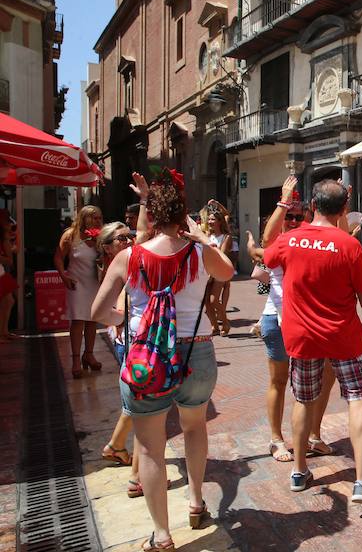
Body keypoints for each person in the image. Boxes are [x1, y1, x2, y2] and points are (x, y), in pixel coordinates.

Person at [92, 169, 234, 551]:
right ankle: (196, 501)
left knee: (151, 448)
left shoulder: (128, 256)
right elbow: (229, 272)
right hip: (197, 350)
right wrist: (204, 239)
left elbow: (98, 311)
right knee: (194, 428)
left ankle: (161, 535)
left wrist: (124, 320)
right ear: (183, 215)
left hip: (146, 357)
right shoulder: (201, 253)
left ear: (150, 216)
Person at [264, 179, 362, 505]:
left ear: (312, 206)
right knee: (357, 399)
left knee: (302, 400)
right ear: (343, 210)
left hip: (302, 336)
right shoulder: (349, 245)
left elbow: (267, 250)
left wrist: (282, 204)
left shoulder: (291, 239)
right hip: (344, 337)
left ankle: (299, 470)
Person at [248, 177, 336, 461]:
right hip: (278, 319)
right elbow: (265, 241)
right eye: (289, 216)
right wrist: (283, 202)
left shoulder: (313, 238)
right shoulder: (279, 242)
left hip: (311, 322)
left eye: (300, 216)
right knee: (279, 380)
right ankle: (276, 439)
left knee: (325, 376)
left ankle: (312, 434)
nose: (294, 220)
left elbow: (339, 234)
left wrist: (339, 204)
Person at [95, 222, 144, 497]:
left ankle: (115, 445)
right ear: (106, 246)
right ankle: (137, 476)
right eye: (120, 238)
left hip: (125, 340)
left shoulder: (122, 264)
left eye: (129, 236)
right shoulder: (120, 268)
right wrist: (121, 320)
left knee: (135, 404)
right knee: (143, 409)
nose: (128, 241)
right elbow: (106, 310)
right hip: (129, 342)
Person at [54, 205, 104, 379]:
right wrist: (64, 276)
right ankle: (76, 359)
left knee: (92, 320)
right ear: (84, 218)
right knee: (77, 321)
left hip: (95, 283)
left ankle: (88, 354)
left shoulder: (102, 237)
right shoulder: (70, 235)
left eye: (99, 217)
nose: (98, 220)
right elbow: (58, 257)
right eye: (94, 217)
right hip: (76, 283)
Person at [203, 207, 232, 336]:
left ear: (220, 221)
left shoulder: (226, 237)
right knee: (206, 302)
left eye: (213, 219)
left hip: (219, 271)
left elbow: (222, 254)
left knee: (214, 300)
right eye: (209, 219)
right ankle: (214, 326)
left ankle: (225, 321)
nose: (209, 221)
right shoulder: (206, 236)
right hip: (206, 271)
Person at [0, 219, 18, 340]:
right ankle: (3, 332)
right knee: (8, 301)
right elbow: (9, 260)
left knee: (9, 301)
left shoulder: (5, 240)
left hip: (0, 272)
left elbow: (9, 260)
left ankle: (4, 331)